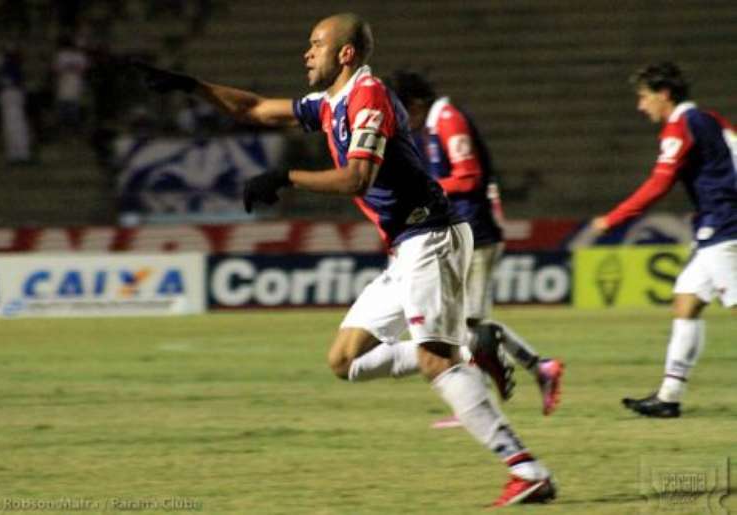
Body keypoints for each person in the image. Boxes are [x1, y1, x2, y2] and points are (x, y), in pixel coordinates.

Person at [133, 13, 556, 506]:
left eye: (316, 44)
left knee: (431, 360)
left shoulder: (368, 97)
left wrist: (284, 177)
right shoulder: (331, 102)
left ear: (346, 53)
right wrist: (190, 85)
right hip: (407, 247)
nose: (306, 53)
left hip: (431, 236)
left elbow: (358, 178)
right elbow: (255, 109)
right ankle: (468, 349)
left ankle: (526, 470)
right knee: (344, 360)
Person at [377, 71, 564, 428]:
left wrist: (424, 188)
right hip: (458, 237)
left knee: (465, 327)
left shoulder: (448, 120)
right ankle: (538, 369)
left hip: (475, 235)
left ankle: (516, 381)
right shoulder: (430, 127)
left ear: (413, 104)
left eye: (399, 110)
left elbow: (469, 176)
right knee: (466, 325)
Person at [591, 62, 737, 418]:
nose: (641, 106)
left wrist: (614, 218)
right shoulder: (711, 119)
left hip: (725, 225)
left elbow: (659, 183)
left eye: (644, 97)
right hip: (715, 222)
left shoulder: (680, 125)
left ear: (664, 95)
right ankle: (669, 396)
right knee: (686, 300)